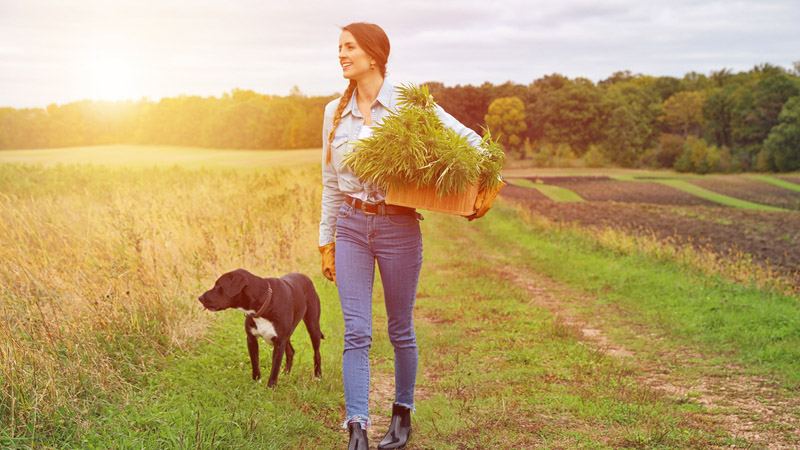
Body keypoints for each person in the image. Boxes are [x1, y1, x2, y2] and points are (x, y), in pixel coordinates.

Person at [318, 22, 502, 450]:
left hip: (399, 226)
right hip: (351, 224)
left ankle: (402, 416)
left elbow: (466, 140)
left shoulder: (406, 98)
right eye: (339, 48)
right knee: (356, 331)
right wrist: (325, 239)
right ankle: (357, 429)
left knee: (400, 328)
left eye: (349, 48)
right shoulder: (333, 111)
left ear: (374, 55)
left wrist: (485, 181)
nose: (341, 55)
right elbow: (330, 180)